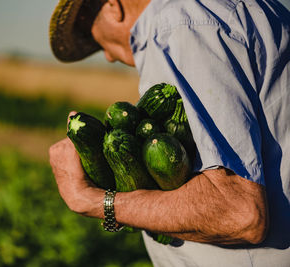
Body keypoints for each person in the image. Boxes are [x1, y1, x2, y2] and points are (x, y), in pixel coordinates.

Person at [48, 0, 290, 266]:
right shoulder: (258, 8)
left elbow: (238, 213)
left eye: (89, 35)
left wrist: (93, 200)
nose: (107, 55)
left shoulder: (178, 25)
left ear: (112, 6)